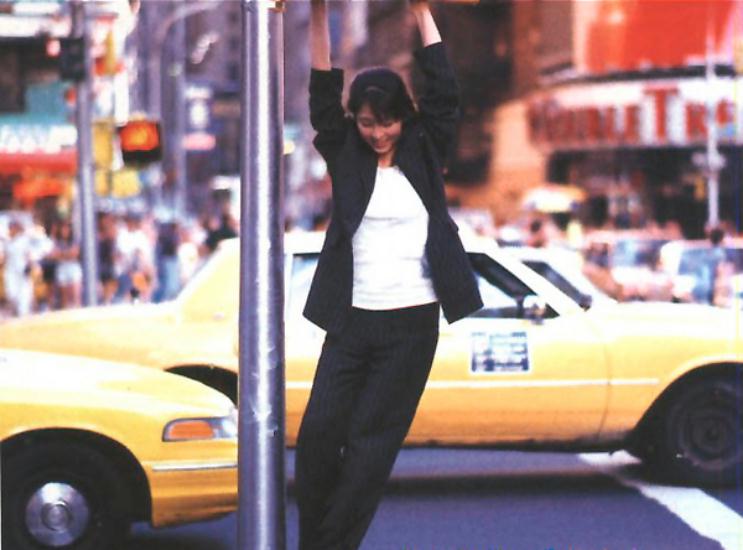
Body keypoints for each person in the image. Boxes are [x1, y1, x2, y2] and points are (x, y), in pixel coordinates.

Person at [295, 2, 483, 549]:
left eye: (388, 122)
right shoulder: (345, 151)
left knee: (369, 448)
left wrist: (421, 9)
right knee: (317, 439)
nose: (378, 133)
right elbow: (322, 93)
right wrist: (317, 13)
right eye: (368, 123)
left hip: (411, 324)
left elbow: (443, 89)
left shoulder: (425, 146)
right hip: (351, 320)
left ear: (405, 116)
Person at [50, 220, 82, 309]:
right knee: (64, 297)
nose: (65, 231)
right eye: (63, 229)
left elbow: (74, 253)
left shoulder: (74, 240)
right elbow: (54, 255)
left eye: (67, 229)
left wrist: (62, 254)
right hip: (62, 267)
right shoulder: (57, 241)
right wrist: (67, 254)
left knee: (76, 294)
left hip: (73, 267)